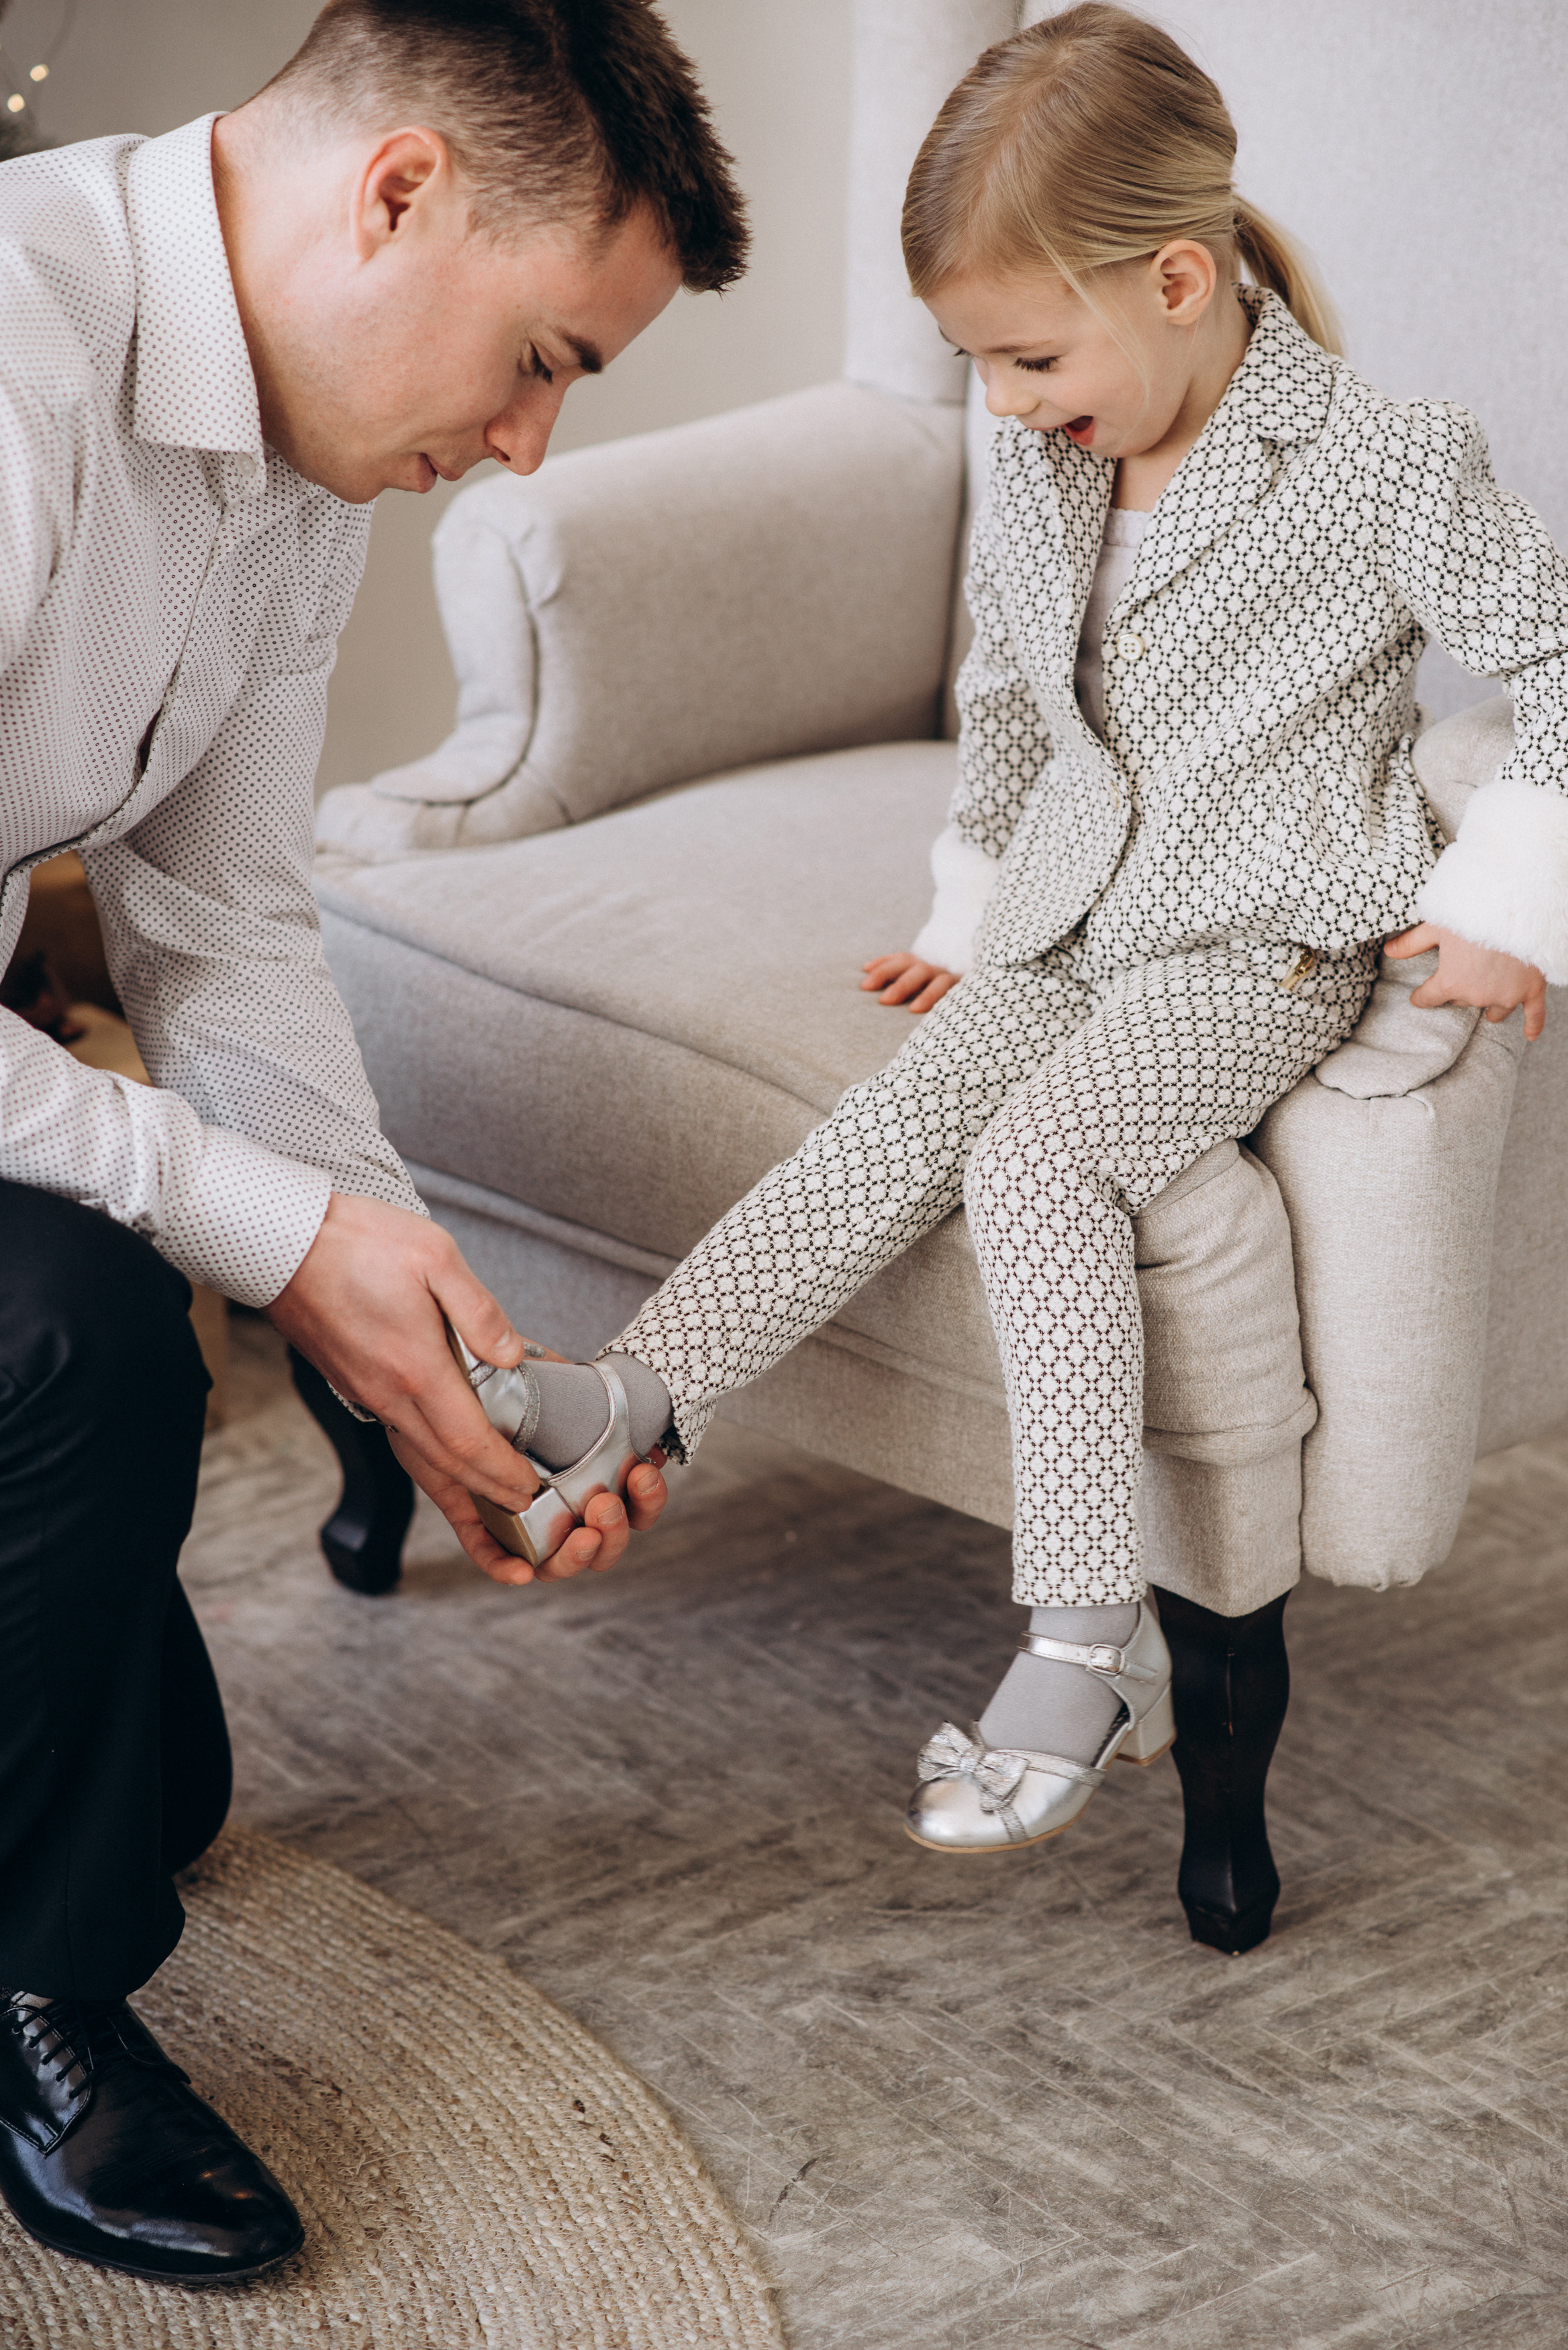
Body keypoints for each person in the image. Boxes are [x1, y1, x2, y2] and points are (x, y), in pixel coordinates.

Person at [513, 2, 1566, 1855]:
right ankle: (644, 1390)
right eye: (973, 362)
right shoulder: (1046, 459)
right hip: (1074, 917)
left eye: (1025, 355)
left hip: (1264, 941)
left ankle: (1096, 1629)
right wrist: (974, 905)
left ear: (1177, 276)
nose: (999, 401)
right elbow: (1013, 697)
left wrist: (1513, 911)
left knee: (1040, 1154)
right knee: (902, 1115)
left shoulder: (1389, 460)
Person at [0, 0, 746, 2288]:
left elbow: (216, 922)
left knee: (158, 1783)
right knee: (88, 1334)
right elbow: (179, 1147)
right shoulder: (14, 377)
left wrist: (408, 1316)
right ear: (398, 191)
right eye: (540, 358)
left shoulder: (293, 460)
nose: (528, 448)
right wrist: (237, 1217)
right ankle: (33, 2003)